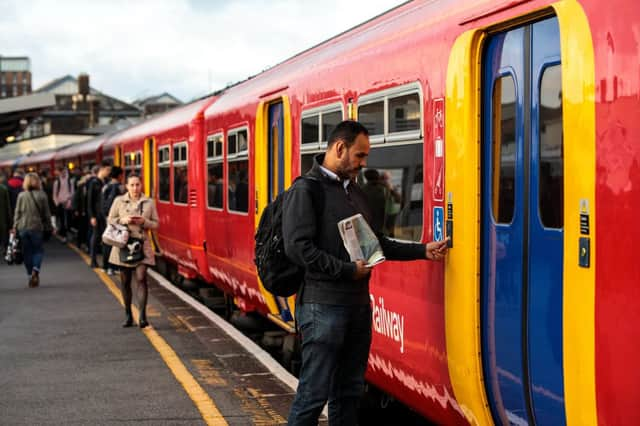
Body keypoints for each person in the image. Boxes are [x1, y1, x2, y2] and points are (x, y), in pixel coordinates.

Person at [282, 120, 449, 425]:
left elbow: (376, 244)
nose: (363, 163)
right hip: (323, 308)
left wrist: (423, 250)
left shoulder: (356, 194)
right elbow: (298, 248)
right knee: (313, 393)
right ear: (339, 148)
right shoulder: (306, 191)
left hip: (357, 306)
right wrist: (346, 270)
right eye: (359, 156)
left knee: (349, 392)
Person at [107, 173, 159, 328]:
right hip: (123, 245)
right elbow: (110, 219)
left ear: (141, 185)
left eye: (137, 184)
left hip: (142, 245)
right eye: (132, 185)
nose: (135, 188)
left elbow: (156, 224)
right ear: (127, 186)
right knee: (125, 281)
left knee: (142, 278)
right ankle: (128, 314)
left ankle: (142, 316)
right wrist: (122, 220)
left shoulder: (149, 202)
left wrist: (145, 222)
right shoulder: (119, 201)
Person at [12, 173, 53, 288]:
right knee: (38, 251)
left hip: (23, 228)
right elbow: (46, 213)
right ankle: (36, 269)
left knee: (27, 253)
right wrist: (49, 226)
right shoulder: (42, 195)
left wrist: (14, 227)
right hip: (37, 227)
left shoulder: (21, 196)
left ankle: (30, 275)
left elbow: (17, 212)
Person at [87, 162, 111, 269]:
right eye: (107, 170)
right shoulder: (93, 182)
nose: (108, 172)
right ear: (102, 169)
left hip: (104, 214)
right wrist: (92, 216)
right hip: (96, 214)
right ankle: (93, 260)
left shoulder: (105, 182)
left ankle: (106, 261)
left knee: (104, 237)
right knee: (96, 237)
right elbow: (89, 200)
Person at [101, 166, 124, 275]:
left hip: (107, 218)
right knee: (116, 243)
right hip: (117, 218)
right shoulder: (121, 188)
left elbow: (101, 202)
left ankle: (106, 266)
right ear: (119, 175)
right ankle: (113, 267)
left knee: (108, 241)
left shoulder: (105, 187)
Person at [0, 172, 11, 254]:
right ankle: (5, 248)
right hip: (2, 218)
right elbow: (8, 206)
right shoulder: (3, 189)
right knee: (4, 234)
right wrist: (10, 220)